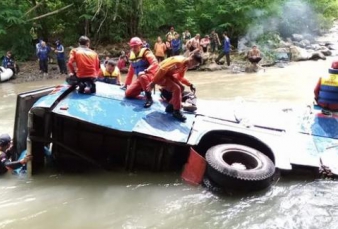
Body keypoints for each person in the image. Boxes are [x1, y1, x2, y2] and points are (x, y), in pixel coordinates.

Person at [147, 52, 202, 122]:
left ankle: (170, 106)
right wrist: (153, 82)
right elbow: (162, 69)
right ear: (191, 59)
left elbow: (180, 77)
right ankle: (176, 112)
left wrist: (190, 84)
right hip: (158, 75)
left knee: (182, 88)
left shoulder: (185, 66)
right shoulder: (178, 61)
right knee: (177, 89)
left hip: (166, 75)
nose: (193, 66)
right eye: (194, 64)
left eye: (195, 65)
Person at [124, 37, 159, 108]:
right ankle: (142, 88)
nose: (134, 48)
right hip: (140, 78)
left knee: (142, 76)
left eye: (135, 46)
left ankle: (149, 98)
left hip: (149, 77)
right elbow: (131, 70)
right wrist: (126, 84)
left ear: (140, 45)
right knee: (128, 94)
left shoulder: (146, 52)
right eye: (132, 46)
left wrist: (146, 71)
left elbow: (155, 63)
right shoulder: (131, 55)